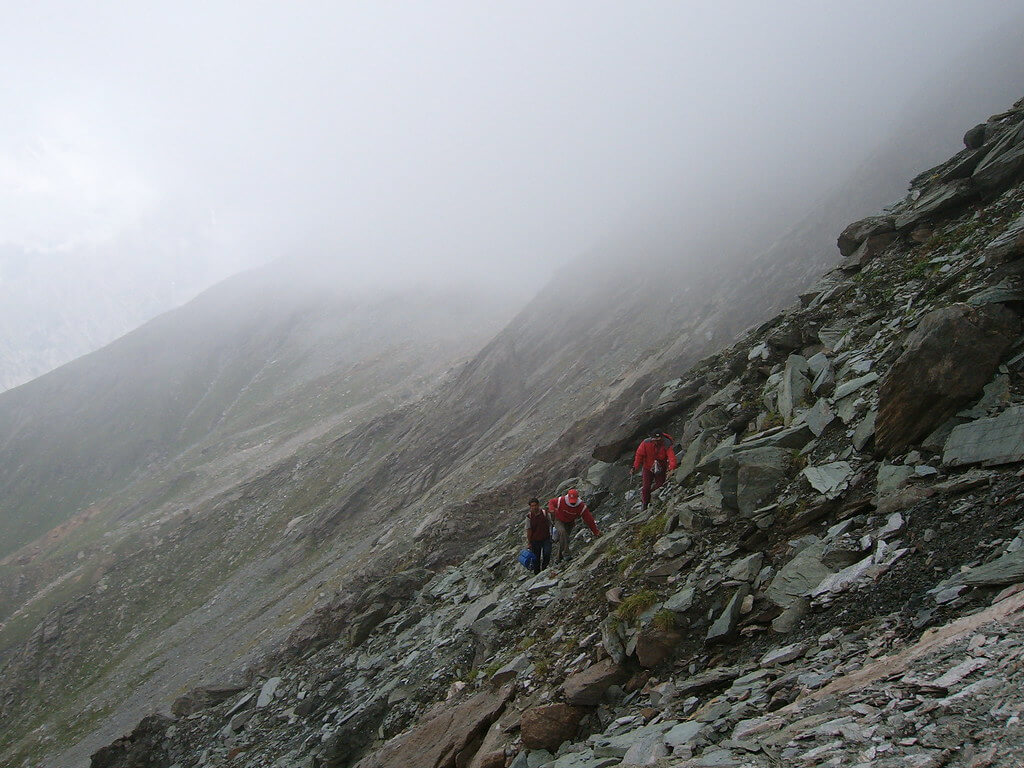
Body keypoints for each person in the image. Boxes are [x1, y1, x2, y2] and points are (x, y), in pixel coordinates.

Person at [548, 488, 601, 564]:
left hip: (570, 523)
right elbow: (551, 502)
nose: (572, 503)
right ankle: (566, 554)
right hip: (558, 520)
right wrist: (552, 509)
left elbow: (589, 519)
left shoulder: (581, 506)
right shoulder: (561, 500)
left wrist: (595, 531)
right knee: (563, 532)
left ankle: (558, 559)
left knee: (564, 538)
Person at [632, 430, 678, 510]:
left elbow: (671, 457)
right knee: (646, 486)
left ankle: (652, 496)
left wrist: (672, 468)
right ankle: (645, 503)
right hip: (648, 467)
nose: (657, 442)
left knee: (660, 485)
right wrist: (635, 467)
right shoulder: (646, 443)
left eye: (659, 439)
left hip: (661, 468)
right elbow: (639, 455)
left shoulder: (666, 444)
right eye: (655, 440)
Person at [524, 497, 552, 575]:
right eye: (532, 506)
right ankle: (537, 573)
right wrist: (529, 542)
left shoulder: (545, 513)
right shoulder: (529, 517)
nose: (534, 507)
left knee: (547, 553)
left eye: (535, 505)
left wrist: (552, 534)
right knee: (536, 558)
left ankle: (544, 568)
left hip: (546, 538)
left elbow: (550, 523)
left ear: (538, 505)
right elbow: (528, 529)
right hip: (535, 540)